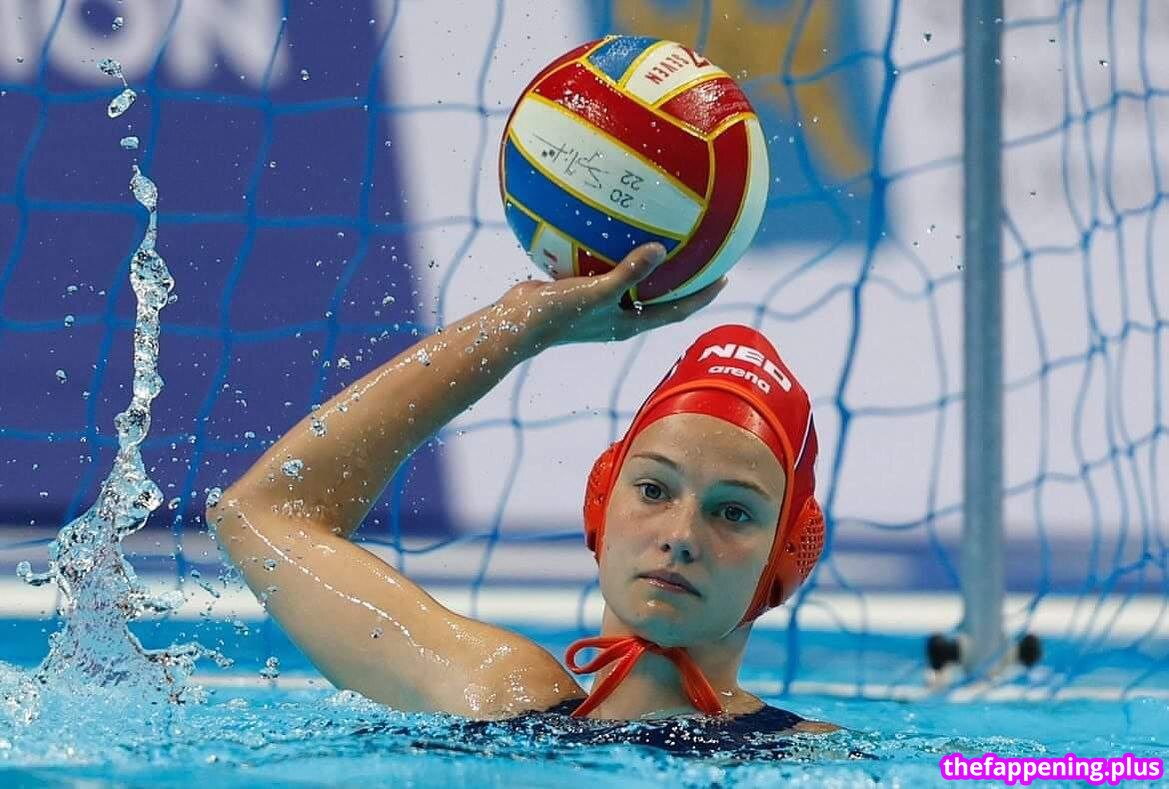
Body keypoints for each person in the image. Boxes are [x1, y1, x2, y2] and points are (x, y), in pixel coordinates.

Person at [207, 242, 836, 735]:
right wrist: (516, 328)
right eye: (653, 490)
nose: (680, 536)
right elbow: (262, 513)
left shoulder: (809, 757)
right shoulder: (496, 692)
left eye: (733, 512)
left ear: (786, 559)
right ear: (600, 503)